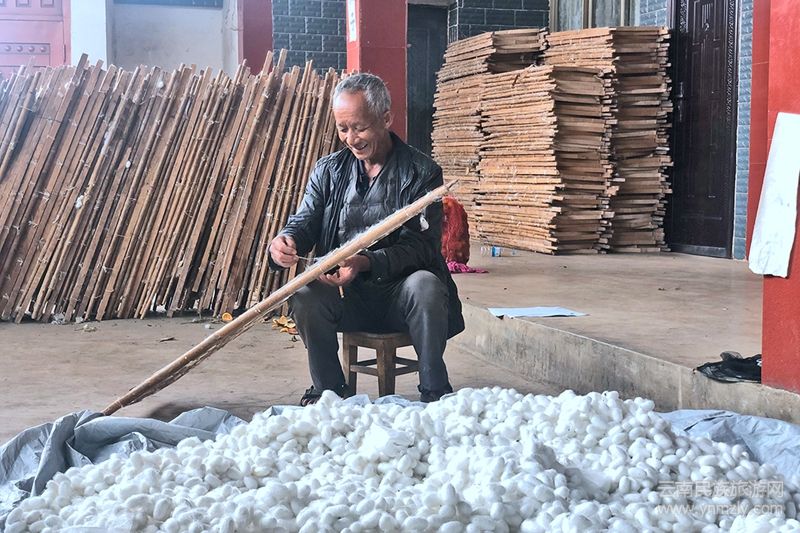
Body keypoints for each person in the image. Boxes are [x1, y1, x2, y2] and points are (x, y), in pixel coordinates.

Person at [268, 73, 464, 405]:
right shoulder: (328, 171)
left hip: (401, 297)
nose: (351, 138)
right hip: (346, 297)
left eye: (359, 127)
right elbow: (305, 221)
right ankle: (329, 392)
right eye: (343, 128)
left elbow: (421, 248)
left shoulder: (421, 172)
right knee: (305, 294)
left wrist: (364, 262)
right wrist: (285, 241)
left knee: (426, 285)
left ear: (385, 118)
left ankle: (435, 393)